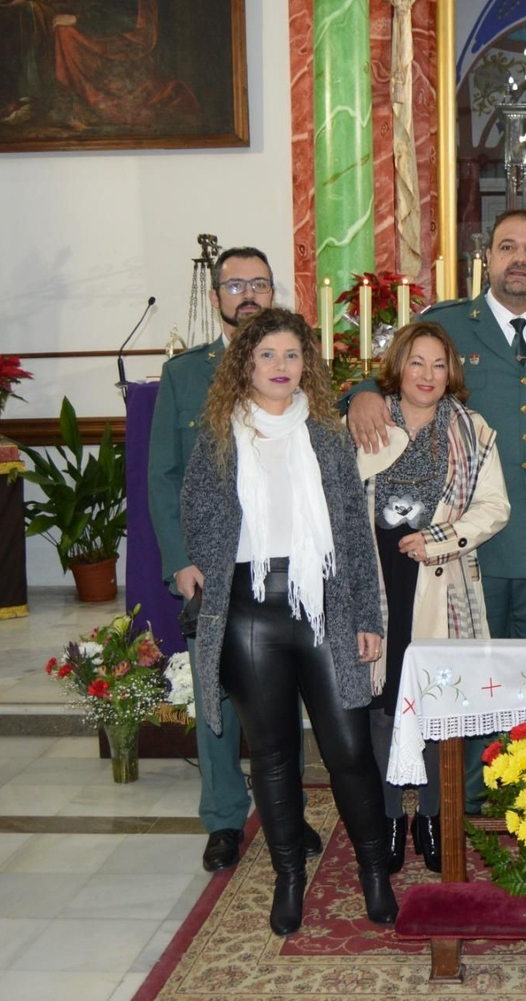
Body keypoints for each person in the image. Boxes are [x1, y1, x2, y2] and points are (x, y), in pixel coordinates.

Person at [346, 210, 526, 809]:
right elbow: (392, 382)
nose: (521, 258)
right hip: (465, 553)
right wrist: (360, 391)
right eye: (507, 246)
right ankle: (458, 803)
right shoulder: (447, 324)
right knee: (468, 678)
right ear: (487, 258)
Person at [180, 307, 395, 935]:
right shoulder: (220, 435)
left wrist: (366, 616)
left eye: (293, 356)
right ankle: (289, 879)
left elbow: (355, 534)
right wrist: (206, 574)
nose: (281, 367)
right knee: (272, 754)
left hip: (324, 605)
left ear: (308, 365)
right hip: (250, 610)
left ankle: (375, 874)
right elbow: (195, 512)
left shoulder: (328, 434)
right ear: (246, 363)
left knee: (349, 749)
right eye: (268, 355)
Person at [148, 247, 323, 874]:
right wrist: (180, 558)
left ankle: (289, 813)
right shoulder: (185, 375)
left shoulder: (296, 360)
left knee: (289, 694)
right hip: (216, 568)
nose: (247, 293)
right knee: (217, 695)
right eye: (235, 283)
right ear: (216, 293)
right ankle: (224, 818)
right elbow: (164, 476)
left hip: (285, 566)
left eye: (260, 283)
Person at [356, 321, 510, 875]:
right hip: (375, 581)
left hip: (441, 582)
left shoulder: (471, 430)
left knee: (437, 706)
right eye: (416, 363)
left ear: (452, 373)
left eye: (439, 365)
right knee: (383, 703)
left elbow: (494, 508)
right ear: (398, 366)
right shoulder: (366, 421)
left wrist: (442, 540)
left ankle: (434, 820)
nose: (427, 375)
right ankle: (393, 816)